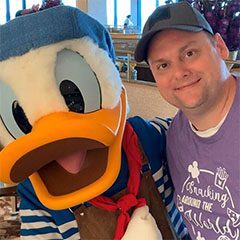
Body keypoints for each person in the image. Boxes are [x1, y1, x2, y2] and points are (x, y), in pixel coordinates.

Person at [0, 4, 189, 240]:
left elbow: (200, 133)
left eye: (73, 97)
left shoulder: (148, 137)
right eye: (23, 119)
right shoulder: (36, 190)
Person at [134, 2, 240, 239]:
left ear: (220, 47)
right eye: (163, 65)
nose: (179, 72)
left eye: (189, 53)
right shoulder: (175, 137)